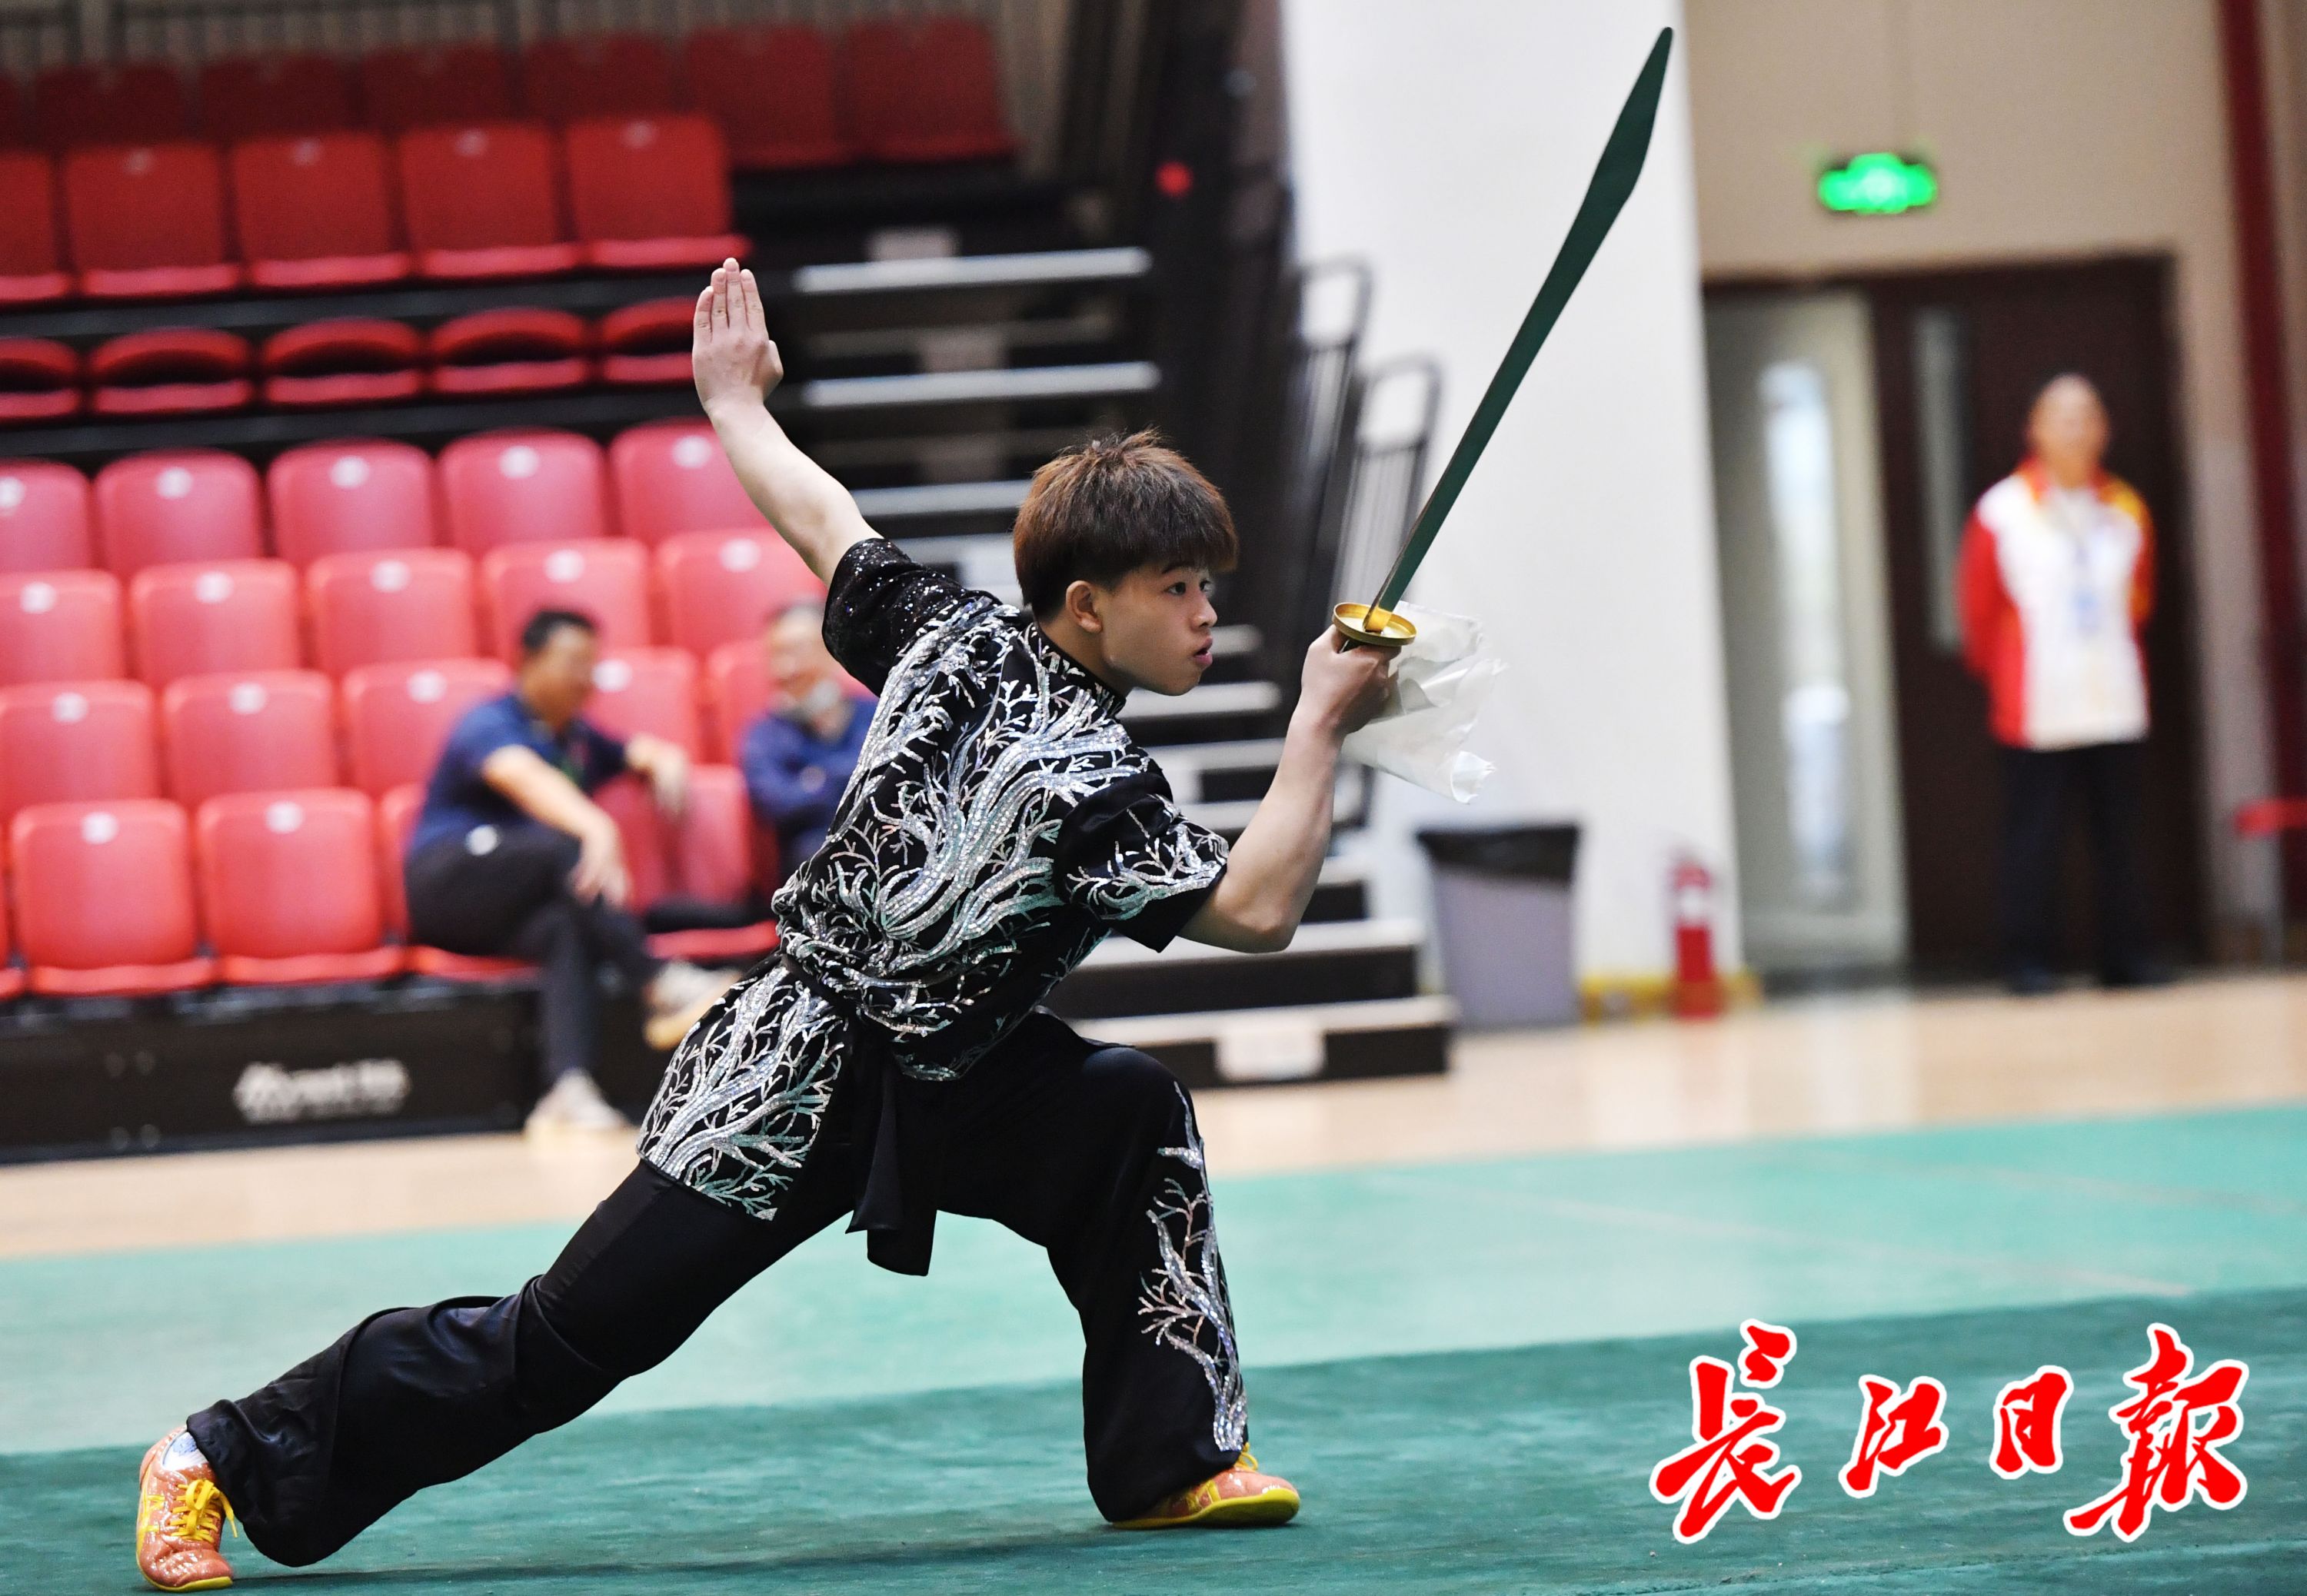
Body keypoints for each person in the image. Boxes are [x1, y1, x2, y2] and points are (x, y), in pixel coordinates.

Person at [131, 259, 1398, 1591]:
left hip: (959, 1068)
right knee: (563, 1343)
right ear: (1089, 604)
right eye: (1179, 589)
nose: (1207, 615)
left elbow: (824, 520)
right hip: (793, 1072)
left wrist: (733, 403)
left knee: (1127, 1113)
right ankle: (215, 1454)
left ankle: (1173, 1461)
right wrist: (1318, 725)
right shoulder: (1082, 774)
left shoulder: (945, 629)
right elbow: (1258, 909)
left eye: (1206, 587)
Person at [401, 607, 738, 1133]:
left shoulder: (576, 737)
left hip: (511, 904)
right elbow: (525, 777)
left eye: (592, 664)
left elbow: (635, 751)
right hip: (446, 882)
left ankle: (567, 1089)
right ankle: (657, 983)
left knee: (564, 927)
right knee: (565, 849)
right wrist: (595, 826)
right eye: (573, 662)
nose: (586, 677)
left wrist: (664, 759)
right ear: (529, 662)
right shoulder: (488, 723)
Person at [1958, 373, 2164, 995]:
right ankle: (2027, 961)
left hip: (2113, 695)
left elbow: (2140, 600)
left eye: (2087, 416)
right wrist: (2006, 675)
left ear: (2104, 430)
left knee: (2120, 836)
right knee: (2033, 836)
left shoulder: (2126, 509)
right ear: (2035, 430)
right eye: (2062, 417)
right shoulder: (2002, 510)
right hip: (2037, 701)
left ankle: (2126, 958)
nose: (2075, 429)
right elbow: (1978, 612)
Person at [738, 597, 873, 883]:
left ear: (833, 652)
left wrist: (815, 779)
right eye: (776, 655)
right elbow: (776, 803)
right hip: (815, 869)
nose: (785, 669)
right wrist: (850, 778)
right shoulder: (764, 735)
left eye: (798, 652)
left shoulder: (875, 715)